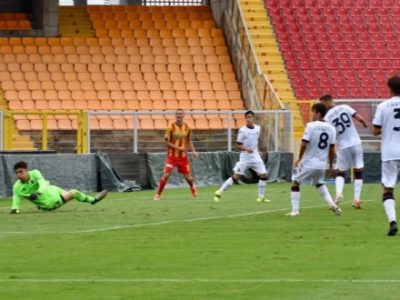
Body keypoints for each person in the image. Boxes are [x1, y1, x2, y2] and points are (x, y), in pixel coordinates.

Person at [287, 103, 341, 217]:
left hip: (309, 163)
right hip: (321, 165)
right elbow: (332, 149)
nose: (312, 114)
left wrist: (299, 159)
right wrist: (330, 166)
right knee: (319, 183)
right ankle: (332, 204)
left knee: (295, 182)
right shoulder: (331, 128)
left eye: (313, 112)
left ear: (318, 113)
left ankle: (295, 211)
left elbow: (303, 144)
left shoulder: (311, 126)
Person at [319, 94, 368, 209]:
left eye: (322, 104)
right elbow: (359, 118)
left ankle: (339, 194)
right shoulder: (345, 107)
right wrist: (364, 123)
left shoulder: (327, 118)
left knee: (340, 172)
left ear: (326, 103)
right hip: (356, 142)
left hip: (342, 145)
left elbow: (329, 134)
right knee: (358, 170)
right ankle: (356, 199)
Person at [214, 110, 270, 203]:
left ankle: (261, 197)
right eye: (247, 117)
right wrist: (246, 149)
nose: (249, 119)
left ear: (253, 118)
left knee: (264, 174)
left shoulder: (257, 128)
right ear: (245, 118)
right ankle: (219, 191)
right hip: (245, 157)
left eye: (250, 117)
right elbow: (238, 144)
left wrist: (258, 150)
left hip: (255, 156)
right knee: (236, 177)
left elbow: (257, 140)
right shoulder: (242, 130)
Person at [10, 161, 108, 214]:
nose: (19, 174)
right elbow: (16, 198)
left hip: (53, 190)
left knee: (63, 191)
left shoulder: (35, 173)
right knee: (74, 193)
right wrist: (15, 209)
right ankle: (93, 200)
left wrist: (38, 192)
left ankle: (91, 199)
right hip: (50, 202)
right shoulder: (17, 187)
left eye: (21, 171)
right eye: (17, 172)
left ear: (26, 170)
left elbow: (43, 183)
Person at [373, 76, 400, 236]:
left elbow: (376, 130)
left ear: (389, 88)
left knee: (388, 189)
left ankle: (392, 222)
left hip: (390, 152)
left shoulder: (383, 106)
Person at [154, 109, 198, 201]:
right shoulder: (170, 127)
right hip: (172, 156)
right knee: (166, 174)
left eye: (180, 114)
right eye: (177, 114)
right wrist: (178, 148)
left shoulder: (187, 127)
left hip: (183, 157)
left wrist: (194, 151)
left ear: (184, 115)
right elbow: (167, 142)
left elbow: (189, 140)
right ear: (175, 115)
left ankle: (192, 188)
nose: (179, 115)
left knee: (188, 177)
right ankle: (158, 194)